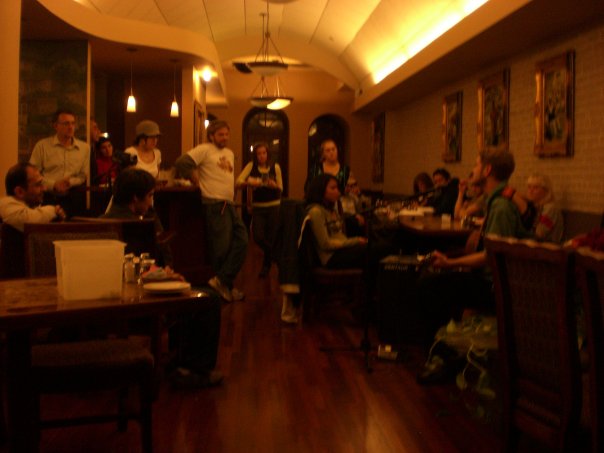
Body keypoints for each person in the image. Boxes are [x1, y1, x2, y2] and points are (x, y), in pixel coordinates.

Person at [416, 149, 530, 384]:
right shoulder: (496, 199)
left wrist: (450, 263)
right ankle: (446, 351)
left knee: (430, 285)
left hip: (496, 287)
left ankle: (443, 358)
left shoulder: (501, 206)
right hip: (487, 279)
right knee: (435, 280)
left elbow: (490, 257)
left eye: (477, 165)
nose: (473, 169)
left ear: (487, 170)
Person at [102, 168, 223, 389]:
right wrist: (165, 275)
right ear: (135, 198)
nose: (152, 201)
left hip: (112, 295)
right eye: (150, 196)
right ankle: (193, 369)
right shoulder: (137, 226)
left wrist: (164, 272)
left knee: (195, 291)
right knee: (210, 298)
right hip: (140, 296)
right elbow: (139, 267)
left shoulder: (103, 221)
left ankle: (181, 362)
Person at [178, 120, 248, 303]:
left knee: (242, 241)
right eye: (220, 134)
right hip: (214, 204)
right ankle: (224, 290)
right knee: (221, 250)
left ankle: (222, 281)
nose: (225, 138)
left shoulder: (229, 153)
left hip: (229, 203)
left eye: (226, 134)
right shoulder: (204, 149)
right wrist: (193, 175)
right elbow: (183, 162)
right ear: (211, 136)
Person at [29, 109, 90, 216]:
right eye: (66, 123)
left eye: (73, 123)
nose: (70, 127)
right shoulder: (42, 146)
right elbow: (33, 175)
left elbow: (83, 175)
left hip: (73, 198)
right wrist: (54, 185)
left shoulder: (84, 148)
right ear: (55, 126)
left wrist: (69, 183)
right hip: (48, 197)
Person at [236, 142, 283, 278]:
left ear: (268, 154)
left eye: (264, 153)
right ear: (255, 156)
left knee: (271, 237)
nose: (262, 156)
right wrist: (250, 182)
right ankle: (274, 255)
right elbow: (238, 182)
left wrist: (274, 185)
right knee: (257, 237)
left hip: (274, 206)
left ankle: (266, 266)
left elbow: (281, 188)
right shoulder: (251, 166)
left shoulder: (275, 167)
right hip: (258, 208)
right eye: (259, 154)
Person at [305, 174, 368, 269]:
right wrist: (356, 241)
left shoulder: (331, 209)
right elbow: (325, 244)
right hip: (331, 257)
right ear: (320, 190)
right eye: (333, 188)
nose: (338, 192)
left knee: (374, 248)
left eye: (337, 188)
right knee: (371, 250)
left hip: (341, 250)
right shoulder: (316, 211)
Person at [0, 162, 66, 231]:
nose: (44, 189)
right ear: (20, 192)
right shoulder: (5, 204)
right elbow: (28, 221)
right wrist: (53, 211)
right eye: (38, 184)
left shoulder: (29, 207)